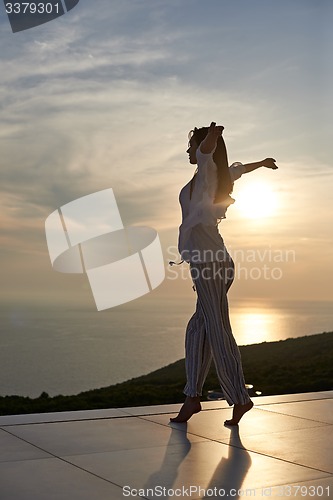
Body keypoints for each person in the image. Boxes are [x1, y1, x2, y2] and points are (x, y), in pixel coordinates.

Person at [170, 122, 278, 425]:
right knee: (199, 329)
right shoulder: (213, 179)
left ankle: (239, 398)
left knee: (216, 329)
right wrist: (263, 163)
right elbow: (237, 170)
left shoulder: (206, 174)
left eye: (191, 144)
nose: (189, 150)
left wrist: (212, 138)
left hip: (211, 264)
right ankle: (192, 397)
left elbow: (207, 156)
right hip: (208, 263)